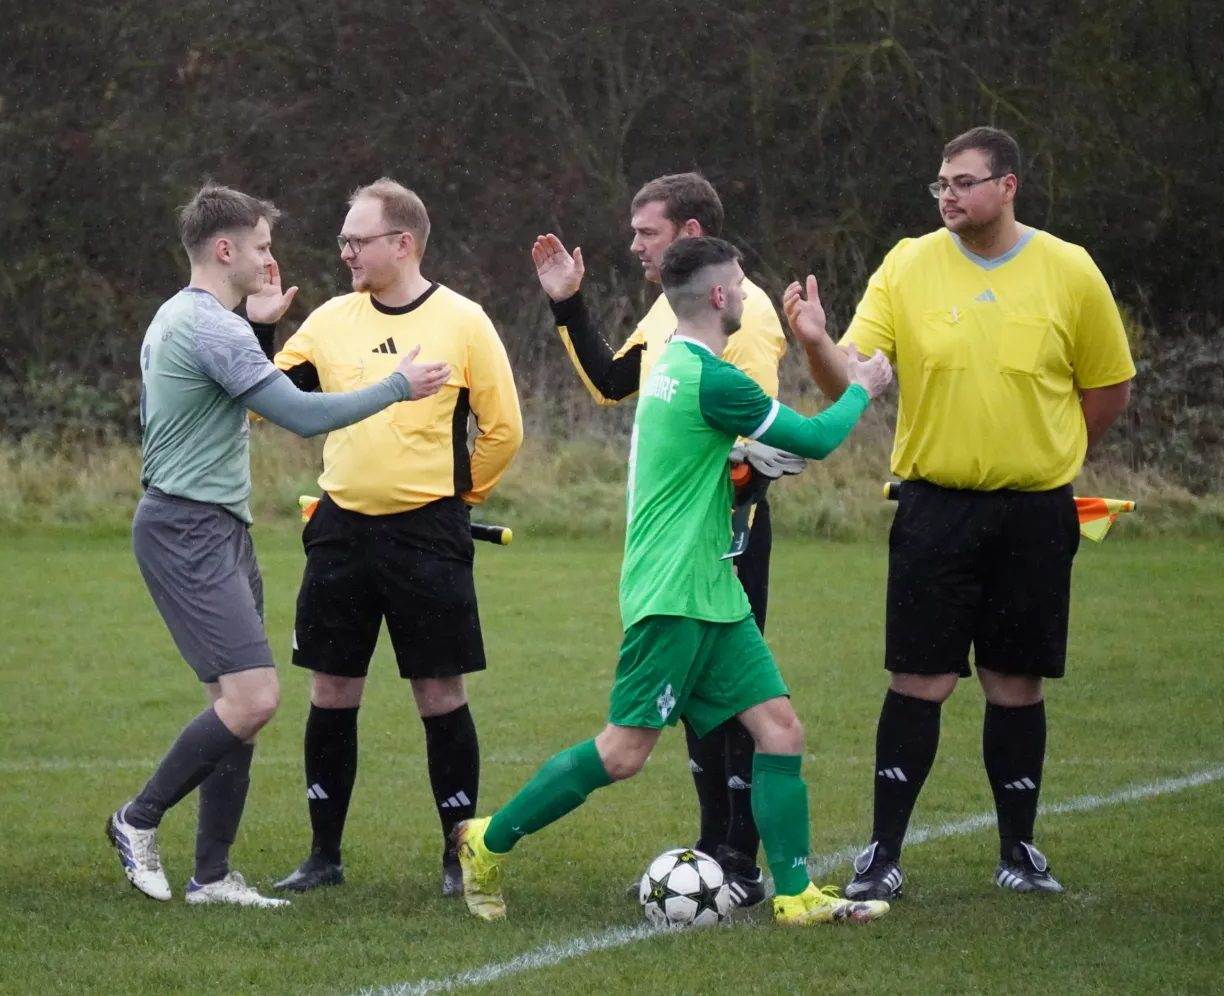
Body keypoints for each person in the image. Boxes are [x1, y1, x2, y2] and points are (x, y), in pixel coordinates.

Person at [453, 236, 896, 926]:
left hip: (711, 588)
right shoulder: (711, 378)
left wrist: (741, 460)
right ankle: (486, 841)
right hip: (672, 593)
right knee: (623, 752)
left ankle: (795, 894)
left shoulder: (673, 364)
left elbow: (703, 455)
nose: (746, 294)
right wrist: (863, 386)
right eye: (741, 285)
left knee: (780, 730)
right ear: (718, 296)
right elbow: (815, 439)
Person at [782, 126, 1135, 900]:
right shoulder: (908, 264)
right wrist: (814, 343)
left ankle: (1019, 852)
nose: (948, 194)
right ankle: (882, 854)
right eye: (941, 182)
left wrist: (1055, 453)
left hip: (1035, 514)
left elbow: (1109, 387)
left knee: (1016, 680)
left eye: (964, 182)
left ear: (1008, 186)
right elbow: (851, 377)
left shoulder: (1069, 269)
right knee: (920, 678)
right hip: (934, 509)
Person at [105, 183, 451, 908]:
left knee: (234, 703)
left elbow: (236, 395)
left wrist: (256, 326)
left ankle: (211, 876)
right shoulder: (211, 328)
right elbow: (298, 414)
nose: (270, 261)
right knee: (254, 697)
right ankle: (137, 819)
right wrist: (397, 386)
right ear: (223, 248)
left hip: (212, 526)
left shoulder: (184, 315)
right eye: (261, 247)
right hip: (187, 528)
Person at [251, 178, 523, 896]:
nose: (345, 253)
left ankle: (456, 858)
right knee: (331, 688)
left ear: (403, 243)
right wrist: (259, 329)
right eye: (342, 240)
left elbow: (503, 430)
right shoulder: (329, 321)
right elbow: (257, 402)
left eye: (357, 241)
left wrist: (456, 497)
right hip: (339, 530)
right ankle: (323, 857)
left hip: (428, 535)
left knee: (439, 692)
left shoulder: (464, 321)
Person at [531, 172, 786, 907]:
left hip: (724, 541)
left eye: (648, 232)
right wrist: (568, 303)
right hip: (680, 544)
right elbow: (614, 381)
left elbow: (756, 445)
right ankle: (716, 847)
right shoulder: (672, 307)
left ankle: (740, 860)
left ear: (691, 234)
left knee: (740, 703)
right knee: (704, 701)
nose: (634, 245)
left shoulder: (745, 316)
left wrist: (724, 518)